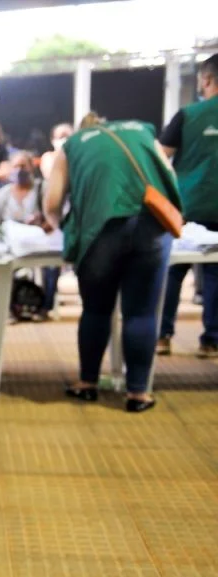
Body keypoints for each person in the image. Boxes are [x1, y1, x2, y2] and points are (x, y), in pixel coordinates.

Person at [45, 112, 181, 413]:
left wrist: (56, 224)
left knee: (96, 309)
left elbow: (52, 202)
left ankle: (88, 384)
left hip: (100, 231)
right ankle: (138, 393)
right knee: (142, 312)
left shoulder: (72, 145)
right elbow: (169, 178)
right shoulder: (142, 131)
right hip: (151, 227)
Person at [157, 53, 218, 359]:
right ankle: (212, 340)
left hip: (186, 208)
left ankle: (162, 335)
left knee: (172, 270)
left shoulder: (188, 115)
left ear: (206, 80)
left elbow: (158, 156)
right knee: (216, 275)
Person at [0, 152, 58, 322]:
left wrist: (41, 224)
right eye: (16, 166)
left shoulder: (42, 189)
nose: (19, 170)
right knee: (2, 265)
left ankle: (44, 307)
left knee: (52, 267)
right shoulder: (1, 196)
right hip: (11, 244)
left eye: (23, 166)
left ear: (31, 168)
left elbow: (54, 218)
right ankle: (9, 307)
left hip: (38, 243)